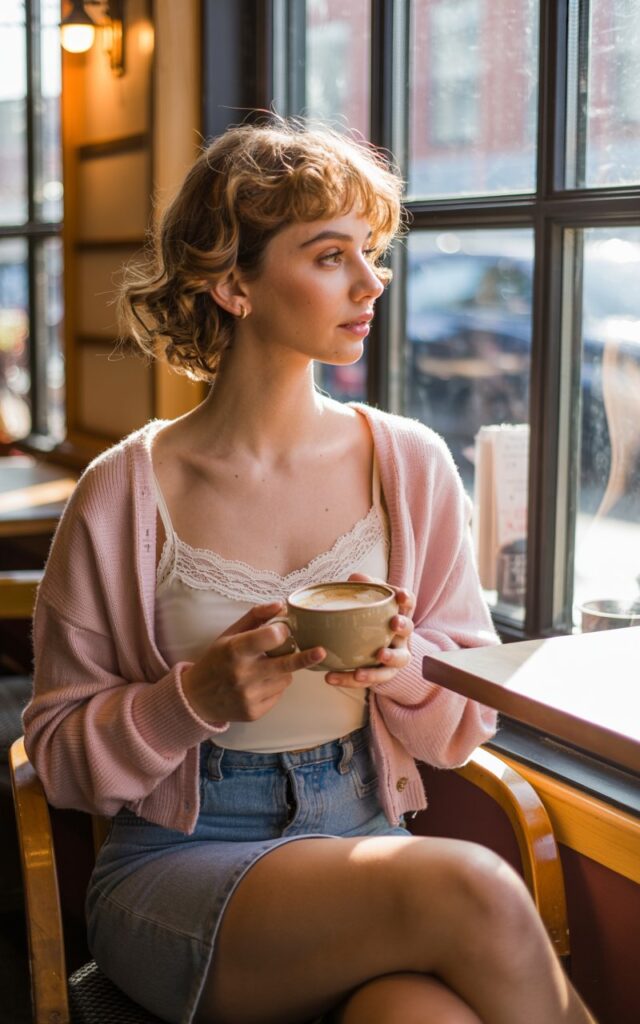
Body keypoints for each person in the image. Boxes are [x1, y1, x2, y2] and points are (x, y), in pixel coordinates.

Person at [23, 119, 596, 1024]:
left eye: (370, 251)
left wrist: (401, 668)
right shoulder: (123, 492)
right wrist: (192, 696)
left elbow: (461, 730)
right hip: (179, 864)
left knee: (419, 1017)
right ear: (232, 283)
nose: (372, 281)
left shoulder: (410, 464)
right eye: (331, 255)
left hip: (362, 833)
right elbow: (56, 759)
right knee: (478, 886)